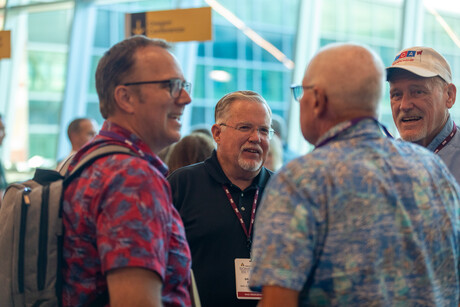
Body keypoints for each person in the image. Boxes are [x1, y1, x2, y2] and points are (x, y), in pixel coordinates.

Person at [249, 43, 460, 306]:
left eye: (301, 92)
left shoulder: (300, 182)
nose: (405, 104)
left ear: (318, 101)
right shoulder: (435, 171)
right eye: (396, 94)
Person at [62, 35, 192, 306]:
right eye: (172, 86)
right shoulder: (132, 177)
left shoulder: (86, 160)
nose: (186, 98)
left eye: (184, 85)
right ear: (126, 98)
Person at [168, 90, 273, 307]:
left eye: (264, 130)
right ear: (217, 133)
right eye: (245, 127)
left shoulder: (284, 191)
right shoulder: (183, 184)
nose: (256, 138)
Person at [387, 46, 459, 183]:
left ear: (449, 96)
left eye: (418, 92)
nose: (404, 105)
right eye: (396, 95)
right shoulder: (383, 162)